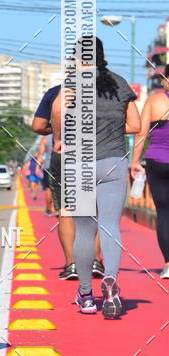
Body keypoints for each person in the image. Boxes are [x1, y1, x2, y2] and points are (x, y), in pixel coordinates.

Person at [52, 37, 140, 317]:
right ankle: (111, 278)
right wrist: (111, 128)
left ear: (78, 57)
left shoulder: (71, 83)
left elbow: (58, 111)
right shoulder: (120, 83)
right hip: (113, 163)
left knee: (85, 231)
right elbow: (135, 125)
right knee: (110, 226)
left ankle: (86, 295)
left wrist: (59, 138)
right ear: (103, 55)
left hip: (80, 165)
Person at [32, 84, 104, 280]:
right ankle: (95, 261)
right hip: (97, 153)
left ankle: (72, 264)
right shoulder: (107, 89)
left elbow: (38, 126)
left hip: (64, 152)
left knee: (66, 210)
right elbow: (132, 125)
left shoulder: (56, 92)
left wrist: (57, 131)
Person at [131, 64, 169, 279]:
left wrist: (135, 161)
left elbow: (141, 133)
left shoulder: (155, 101)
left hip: (158, 161)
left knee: (164, 213)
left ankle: (168, 264)